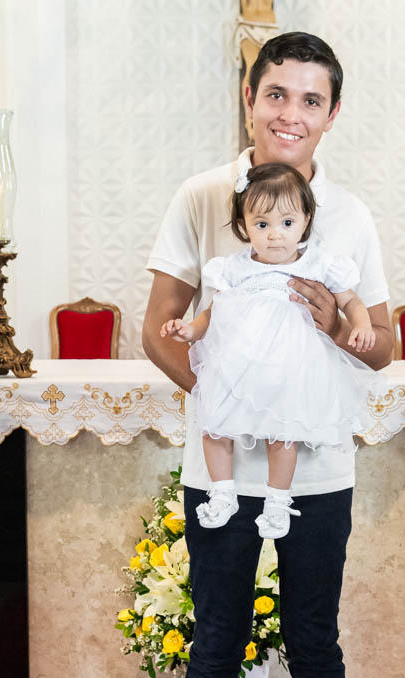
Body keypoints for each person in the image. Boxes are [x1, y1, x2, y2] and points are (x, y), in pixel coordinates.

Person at [141, 32, 393, 678]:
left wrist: (335, 324)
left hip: (314, 471)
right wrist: (229, 405)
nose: (292, 113)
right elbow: (158, 327)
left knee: (314, 642)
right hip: (220, 469)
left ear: (332, 113)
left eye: (311, 99)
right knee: (216, 641)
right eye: (276, 93)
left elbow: (384, 345)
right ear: (250, 98)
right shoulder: (201, 197)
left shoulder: (350, 215)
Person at [160, 161, 376, 540]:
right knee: (214, 425)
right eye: (262, 224)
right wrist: (189, 330)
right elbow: (213, 312)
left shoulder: (319, 264)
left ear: (306, 221)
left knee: (283, 435)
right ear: (244, 225)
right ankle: (222, 492)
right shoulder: (233, 268)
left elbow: (352, 301)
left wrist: (360, 324)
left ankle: (277, 500)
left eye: (287, 223)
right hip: (237, 365)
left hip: (289, 369)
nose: (275, 234)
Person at [154, 0, 360, 140]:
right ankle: (250, 122)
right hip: (248, 28)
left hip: (268, 28)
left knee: (279, 74)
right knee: (252, 70)